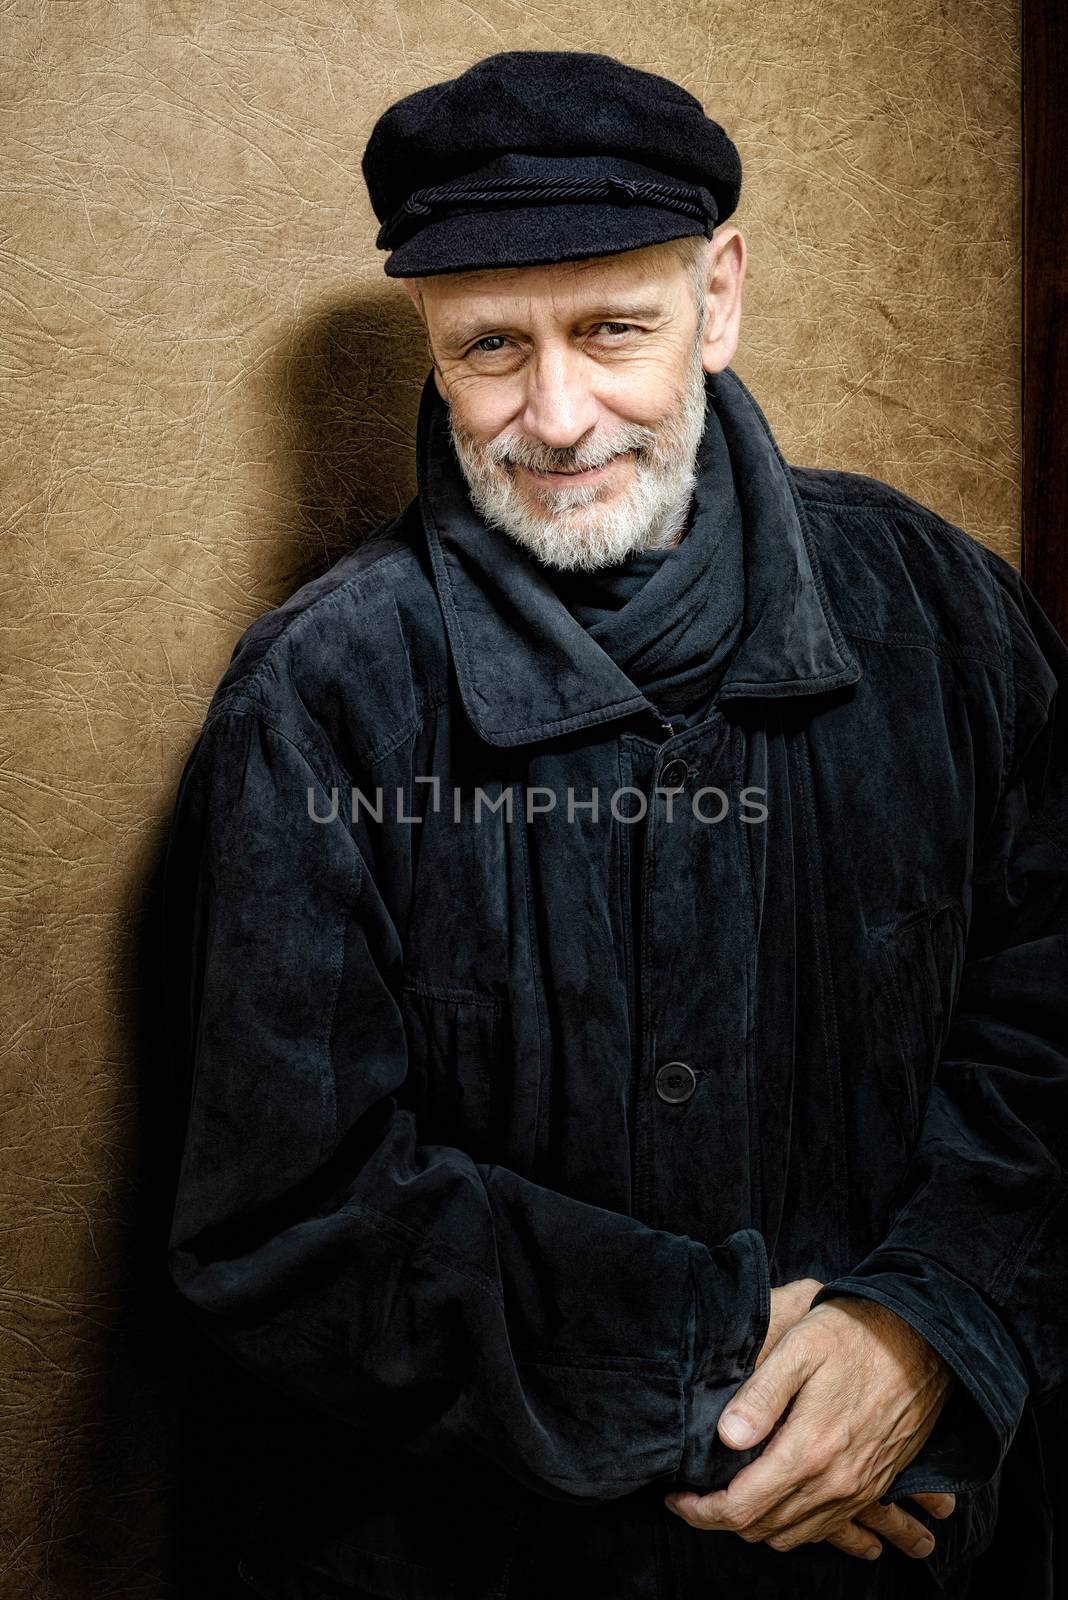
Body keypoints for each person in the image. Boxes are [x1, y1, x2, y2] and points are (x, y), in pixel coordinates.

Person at [160, 49, 1068, 1600]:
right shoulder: (317, 702)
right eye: (490, 348)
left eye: (613, 330)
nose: (557, 415)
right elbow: (290, 1224)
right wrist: (723, 1375)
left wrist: (930, 1331)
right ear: (430, 346)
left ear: (718, 301)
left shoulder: (946, 614)